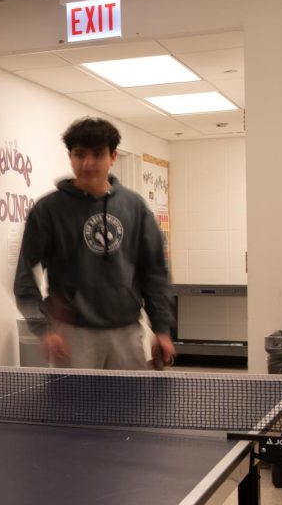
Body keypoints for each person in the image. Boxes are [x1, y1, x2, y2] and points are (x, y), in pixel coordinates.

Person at [14, 117, 175, 370]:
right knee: (74, 409)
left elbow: (154, 273)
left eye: (97, 154)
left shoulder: (135, 207)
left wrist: (162, 329)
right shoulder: (48, 210)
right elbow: (24, 274)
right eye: (79, 154)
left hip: (126, 332)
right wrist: (43, 328)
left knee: (131, 409)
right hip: (72, 336)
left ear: (113, 156)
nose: (88, 163)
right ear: (70, 156)